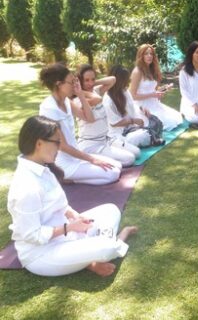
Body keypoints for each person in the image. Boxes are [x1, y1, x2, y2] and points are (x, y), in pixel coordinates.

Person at [7, 116, 138, 277]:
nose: (60, 147)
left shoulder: (42, 167)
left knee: (111, 210)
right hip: (42, 254)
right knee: (107, 247)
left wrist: (75, 216)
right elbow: (32, 236)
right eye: (56, 142)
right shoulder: (26, 186)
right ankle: (111, 244)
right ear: (39, 143)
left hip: (67, 233)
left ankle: (88, 255)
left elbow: (59, 204)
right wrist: (69, 228)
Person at [39, 63, 121, 185]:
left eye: (75, 81)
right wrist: (92, 159)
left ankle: (72, 178)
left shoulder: (67, 101)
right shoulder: (49, 108)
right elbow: (62, 146)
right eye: (71, 82)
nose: (75, 85)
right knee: (112, 173)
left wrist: (80, 94)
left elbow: (89, 118)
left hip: (76, 155)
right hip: (63, 163)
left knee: (117, 165)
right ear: (58, 84)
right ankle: (63, 177)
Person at [75, 64, 137, 167]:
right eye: (86, 80)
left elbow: (113, 79)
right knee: (129, 159)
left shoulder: (95, 90)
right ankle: (92, 159)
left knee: (135, 153)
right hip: (91, 145)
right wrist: (80, 91)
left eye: (93, 79)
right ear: (80, 81)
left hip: (105, 140)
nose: (90, 83)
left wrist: (94, 83)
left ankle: (103, 159)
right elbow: (97, 99)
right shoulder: (78, 100)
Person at [130, 44, 183, 131]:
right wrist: (152, 94)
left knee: (176, 116)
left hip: (154, 104)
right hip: (142, 106)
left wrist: (164, 88)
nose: (149, 56)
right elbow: (133, 96)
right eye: (146, 54)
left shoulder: (151, 70)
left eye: (151, 54)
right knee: (168, 122)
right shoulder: (137, 71)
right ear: (141, 56)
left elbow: (152, 91)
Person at [103, 65, 151, 157]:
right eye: (125, 80)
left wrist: (142, 109)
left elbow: (132, 105)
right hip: (116, 134)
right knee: (137, 149)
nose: (128, 82)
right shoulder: (108, 99)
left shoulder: (124, 91)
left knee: (150, 124)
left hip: (130, 128)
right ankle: (118, 147)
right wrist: (134, 120)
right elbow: (114, 123)